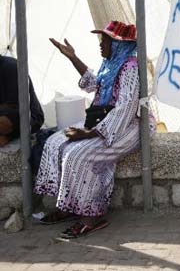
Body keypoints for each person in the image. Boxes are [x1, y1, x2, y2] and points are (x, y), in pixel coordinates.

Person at [34, 21, 154, 238]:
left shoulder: (131, 68)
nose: (101, 44)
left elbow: (126, 108)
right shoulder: (111, 65)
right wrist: (72, 57)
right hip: (104, 118)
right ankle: (67, 206)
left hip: (131, 124)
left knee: (79, 155)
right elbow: (92, 84)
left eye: (105, 40)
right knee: (54, 143)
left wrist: (90, 133)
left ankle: (91, 216)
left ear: (119, 44)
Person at [0, 54, 44, 147]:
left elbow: (14, 106)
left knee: (3, 122)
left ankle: (8, 137)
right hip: (7, 115)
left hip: (29, 117)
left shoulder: (11, 67)